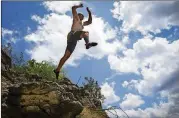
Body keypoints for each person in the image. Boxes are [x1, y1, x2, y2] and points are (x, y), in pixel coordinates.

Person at [54, 3, 98, 79]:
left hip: (74, 40)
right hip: (72, 35)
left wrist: (90, 13)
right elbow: (73, 8)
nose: (82, 17)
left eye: (83, 17)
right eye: (81, 16)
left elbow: (90, 22)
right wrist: (79, 6)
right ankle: (87, 44)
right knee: (85, 33)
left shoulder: (82, 24)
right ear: (78, 16)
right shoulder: (76, 19)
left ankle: (57, 70)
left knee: (67, 56)